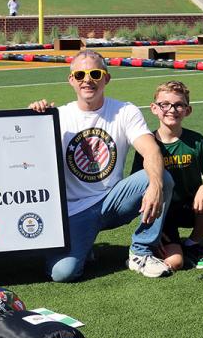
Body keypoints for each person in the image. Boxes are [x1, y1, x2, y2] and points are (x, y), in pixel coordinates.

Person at [28, 50, 174, 282]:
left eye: (95, 73)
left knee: (160, 178)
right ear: (71, 80)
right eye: (80, 75)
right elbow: (28, 158)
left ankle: (140, 252)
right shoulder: (59, 116)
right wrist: (33, 119)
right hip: (74, 210)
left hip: (112, 202)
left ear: (106, 78)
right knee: (63, 274)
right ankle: (83, 245)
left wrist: (155, 186)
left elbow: (151, 150)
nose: (88, 80)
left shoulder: (125, 111)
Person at [132, 81, 203, 271]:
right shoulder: (147, 144)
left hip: (190, 207)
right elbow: (140, 189)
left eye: (178, 105)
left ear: (187, 110)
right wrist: (153, 232)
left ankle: (192, 244)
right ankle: (161, 243)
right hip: (161, 213)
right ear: (154, 108)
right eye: (164, 104)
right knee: (175, 263)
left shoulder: (196, 141)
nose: (171, 110)